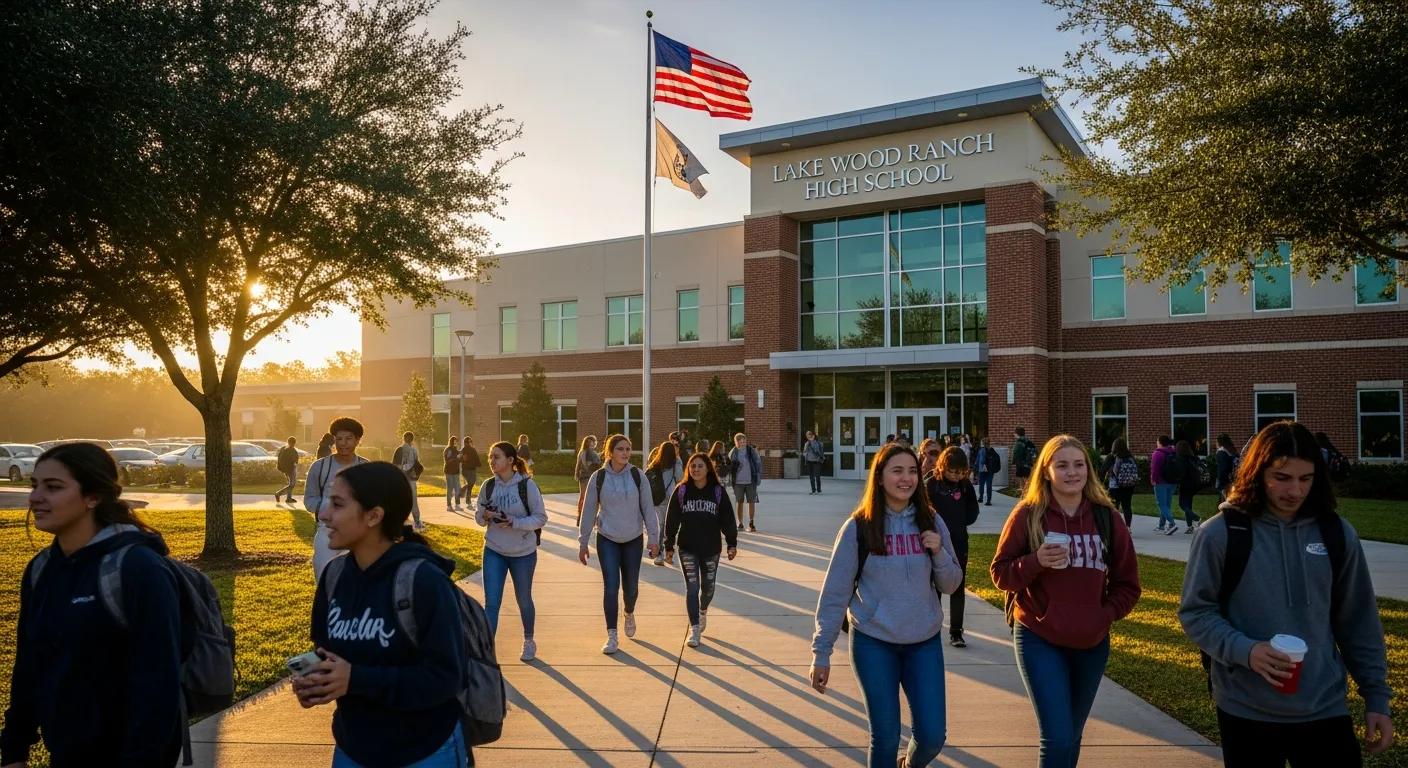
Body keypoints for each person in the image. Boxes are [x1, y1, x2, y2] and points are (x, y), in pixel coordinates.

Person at [1179, 421, 1393, 767]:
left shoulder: (1336, 533)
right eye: (1282, 477)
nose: (1294, 490)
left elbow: (1359, 620)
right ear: (1257, 472)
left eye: (1305, 479)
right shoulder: (1220, 534)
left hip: (1325, 706)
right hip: (1245, 709)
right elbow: (1195, 612)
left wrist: (1377, 698)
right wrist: (1246, 651)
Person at [1, 443, 184, 767]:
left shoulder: (139, 568)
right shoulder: (41, 569)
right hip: (66, 754)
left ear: (93, 496)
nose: (35, 498)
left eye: (53, 487)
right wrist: (14, 750)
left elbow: (159, 685)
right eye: (35, 485)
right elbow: (29, 663)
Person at [294, 461, 472, 768]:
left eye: (337, 504)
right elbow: (324, 649)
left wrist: (356, 679)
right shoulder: (334, 576)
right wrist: (307, 674)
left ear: (374, 516)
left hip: (424, 750)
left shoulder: (423, 580)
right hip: (353, 748)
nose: (323, 514)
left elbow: (446, 678)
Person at [810, 442, 965, 768]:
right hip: (873, 643)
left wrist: (938, 552)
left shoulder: (931, 522)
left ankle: (908, 764)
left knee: (933, 736)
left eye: (912, 471)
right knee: (885, 735)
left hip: (923, 642)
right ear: (879, 477)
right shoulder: (859, 527)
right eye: (897, 471)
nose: (907, 478)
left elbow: (951, 584)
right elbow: (835, 593)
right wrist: (821, 653)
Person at [991, 434, 1141, 768]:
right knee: (1057, 737)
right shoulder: (1028, 515)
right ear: (1046, 472)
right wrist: (1036, 561)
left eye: (1079, 464)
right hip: (1038, 635)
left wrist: (1102, 616)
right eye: (1062, 465)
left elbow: (1128, 585)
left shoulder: (1108, 518)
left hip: (1091, 641)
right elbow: (1000, 573)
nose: (1072, 472)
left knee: (1072, 736)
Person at [578, 434, 660, 654]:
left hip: (633, 539)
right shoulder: (599, 477)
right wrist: (583, 541)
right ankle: (612, 635)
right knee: (611, 586)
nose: (625, 453)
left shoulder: (637, 476)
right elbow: (588, 511)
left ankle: (629, 612)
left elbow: (648, 509)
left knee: (631, 587)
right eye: (621, 449)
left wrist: (653, 538)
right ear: (610, 452)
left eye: (628, 449)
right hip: (607, 539)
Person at [475, 441, 546, 662]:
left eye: (496, 456)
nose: (491, 461)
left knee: (523, 599)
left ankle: (528, 640)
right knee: (492, 602)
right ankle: (486, 651)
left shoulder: (527, 486)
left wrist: (514, 522)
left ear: (510, 461)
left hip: (523, 552)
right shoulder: (488, 486)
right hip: (494, 549)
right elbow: (478, 517)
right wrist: (485, 515)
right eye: (490, 457)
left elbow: (541, 518)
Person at [663, 452, 738, 648]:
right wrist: (668, 545)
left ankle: (702, 609)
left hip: (711, 548)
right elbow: (671, 521)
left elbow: (728, 520)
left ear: (708, 469)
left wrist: (732, 543)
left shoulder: (717, 492)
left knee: (708, 588)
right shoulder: (682, 491)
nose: (695, 469)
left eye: (700, 466)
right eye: (692, 466)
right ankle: (694, 629)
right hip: (687, 547)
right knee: (692, 588)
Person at [926, 446, 980, 648]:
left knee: (957, 586)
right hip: (935, 543)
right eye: (952, 472)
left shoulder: (965, 486)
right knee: (934, 587)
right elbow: (923, 509)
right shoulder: (932, 484)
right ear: (943, 466)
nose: (957, 476)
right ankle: (932, 628)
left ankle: (956, 631)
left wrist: (961, 520)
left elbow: (973, 510)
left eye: (961, 472)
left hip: (958, 542)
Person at [305, 418, 371, 580]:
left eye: (349, 438)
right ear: (333, 440)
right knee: (323, 577)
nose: (343, 443)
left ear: (357, 440)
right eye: (339, 439)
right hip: (328, 531)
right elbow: (310, 499)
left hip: (358, 533)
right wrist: (327, 508)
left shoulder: (367, 467)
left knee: (357, 581)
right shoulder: (319, 467)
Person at [645, 441, 682, 566]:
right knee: (670, 527)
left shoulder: (655, 463)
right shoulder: (676, 462)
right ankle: (668, 553)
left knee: (660, 526)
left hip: (657, 498)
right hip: (671, 498)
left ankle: (658, 554)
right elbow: (680, 477)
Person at [728, 433, 763, 532]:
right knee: (739, 502)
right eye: (740, 441)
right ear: (736, 442)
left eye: (744, 441)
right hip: (738, 482)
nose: (742, 443)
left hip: (750, 481)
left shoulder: (750, 451)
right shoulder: (733, 452)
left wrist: (758, 477)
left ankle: (751, 523)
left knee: (752, 501)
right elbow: (730, 465)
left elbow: (758, 463)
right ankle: (740, 523)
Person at [1101, 438, 1137, 528]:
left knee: (1114, 507)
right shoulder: (1130, 457)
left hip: (1115, 486)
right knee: (1127, 506)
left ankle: (1115, 526)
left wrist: (1101, 483)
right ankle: (1128, 527)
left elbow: (1103, 470)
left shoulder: (1111, 456)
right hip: (1129, 485)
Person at [392, 431, 423, 532]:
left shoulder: (399, 450)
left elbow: (395, 465)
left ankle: (399, 522)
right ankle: (417, 522)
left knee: (401, 501)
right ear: (412, 439)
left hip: (401, 479)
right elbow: (418, 464)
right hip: (411, 479)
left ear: (403, 438)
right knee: (413, 500)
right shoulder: (414, 450)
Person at [1150, 435, 1179, 534]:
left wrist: (1153, 479)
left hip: (1161, 482)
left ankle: (1172, 524)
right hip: (1173, 482)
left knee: (1161, 504)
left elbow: (1155, 469)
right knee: (1166, 504)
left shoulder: (1157, 453)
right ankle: (1161, 525)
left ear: (1159, 442)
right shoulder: (1174, 452)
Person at [1175, 440, 1203, 534]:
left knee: (1182, 505)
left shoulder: (1181, 459)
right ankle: (1189, 526)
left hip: (1185, 484)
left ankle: (1196, 518)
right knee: (1188, 505)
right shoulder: (1193, 458)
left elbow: (1181, 473)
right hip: (1194, 484)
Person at [574, 435, 603, 525]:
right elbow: (589, 465)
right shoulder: (589, 452)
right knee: (590, 498)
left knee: (582, 497)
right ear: (588, 443)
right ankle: (585, 518)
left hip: (583, 477)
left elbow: (578, 465)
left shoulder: (583, 452)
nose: (594, 443)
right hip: (588, 477)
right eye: (592, 442)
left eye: (594, 442)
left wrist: (576, 474)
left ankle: (580, 517)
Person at [1010, 427, 1036, 492]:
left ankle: (1024, 489)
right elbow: (1034, 451)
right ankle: (1026, 488)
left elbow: (1016, 452)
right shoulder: (1029, 441)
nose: (1014, 434)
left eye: (1015, 433)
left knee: (1021, 475)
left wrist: (1013, 461)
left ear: (1017, 434)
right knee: (1026, 476)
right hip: (1028, 462)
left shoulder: (1019, 442)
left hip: (1021, 462)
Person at [276, 436, 300, 504]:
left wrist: (282, 469)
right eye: (293, 443)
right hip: (290, 469)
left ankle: (288, 498)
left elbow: (279, 459)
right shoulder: (290, 449)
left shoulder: (283, 448)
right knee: (292, 484)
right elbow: (294, 460)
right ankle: (278, 494)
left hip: (286, 469)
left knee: (291, 483)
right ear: (293, 443)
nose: (293, 444)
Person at [974, 437, 998, 506]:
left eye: (981, 442)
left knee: (981, 484)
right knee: (989, 485)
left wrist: (976, 467)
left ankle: (981, 498)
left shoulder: (981, 450)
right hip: (990, 470)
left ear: (983, 443)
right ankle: (988, 500)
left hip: (983, 470)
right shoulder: (992, 450)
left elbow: (980, 460)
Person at [459, 436, 481, 511]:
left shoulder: (472, 449)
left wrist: (478, 464)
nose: (469, 443)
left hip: (472, 469)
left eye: (470, 442)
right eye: (468, 442)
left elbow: (476, 457)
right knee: (470, 483)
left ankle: (461, 491)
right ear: (466, 443)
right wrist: (463, 459)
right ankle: (468, 500)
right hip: (466, 469)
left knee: (471, 483)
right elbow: (460, 458)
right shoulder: (463, 450)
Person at [1214, 433, 1238, 501]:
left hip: (1225, 481)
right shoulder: (1232, 450)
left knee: (1224, 502)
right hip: (1234, 479)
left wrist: (1220, 483)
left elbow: (1223, 468)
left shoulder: (1221, 452)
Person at [443, 436, 462, 513]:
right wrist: (456, 457)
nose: (455, 443)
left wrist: (461, 457)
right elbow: (448, 460)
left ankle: (457, 505)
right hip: (449, 472)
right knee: (450, 489)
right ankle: (449, 506)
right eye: (454, 442)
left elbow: (459, 460)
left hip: (456, 472)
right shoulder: (448, 450)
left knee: (457, 489)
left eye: (456, 442)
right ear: (451, 442)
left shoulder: (456, 450)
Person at [802, 430, 825, 495]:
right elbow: (804, 452)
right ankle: (813, 490)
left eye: (809, 434)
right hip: (809, 461)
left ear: (813, 435)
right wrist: (805, 454)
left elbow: (818, 450)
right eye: (807, 434)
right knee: (811, 477)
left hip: (817, 461)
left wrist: (812, 442)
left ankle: (819, 490)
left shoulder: (818, 443)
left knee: (817, 476)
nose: (807, 436)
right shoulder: (807, 443)